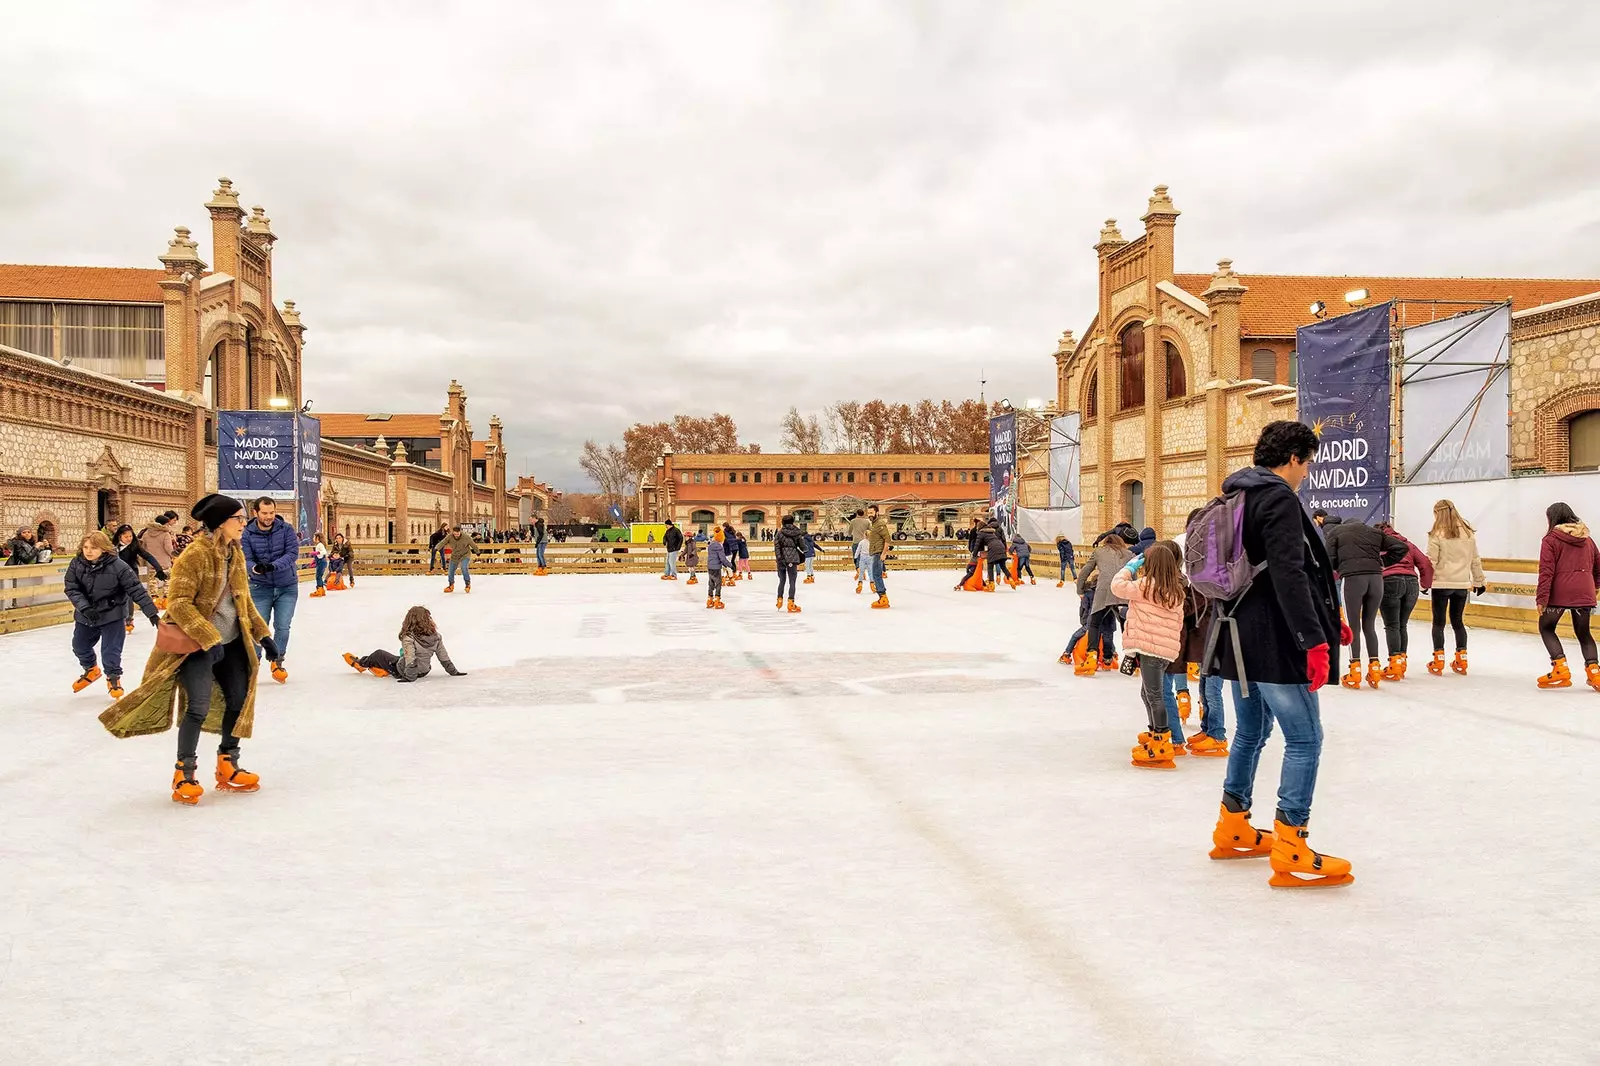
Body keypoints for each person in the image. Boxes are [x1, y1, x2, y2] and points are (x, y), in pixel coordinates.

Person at [1205, 420, 1351, 888]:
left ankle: (1233, 825)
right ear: (1292, 458)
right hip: (1276, 639)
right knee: (1305, 739)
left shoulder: (1236, 497)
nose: (1306, 472)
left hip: (1236, 639)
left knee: (1250, 733)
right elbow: (1291, 574)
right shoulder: (1280, 499)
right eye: (1307, 462)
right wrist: (1315, 640)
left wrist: (1334, 619)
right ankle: (1291, 842)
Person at [98, 493, 281, 806]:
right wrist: (208, 639)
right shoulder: (194, 555)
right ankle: (185, 771)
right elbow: (179, 604)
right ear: (220, 523)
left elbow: (243, 599)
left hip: (233, 641)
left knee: (239, 701)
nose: (243, 524)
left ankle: (228, 765)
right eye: (238, 518)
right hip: (195, 643)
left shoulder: (235, 553)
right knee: (196, 706)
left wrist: (264, 636)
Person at [1111, 543, 1188, 768]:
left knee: (1154, 696)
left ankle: (1162, 742)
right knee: (1148, 694)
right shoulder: (1175, 590)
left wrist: (1131, 566)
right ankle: (1156, 733)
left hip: (1149, 649)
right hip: (1164, 651)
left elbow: (1117, 586)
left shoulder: (1145, 586)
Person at [66, 530, 159, 699]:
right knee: (79, 645)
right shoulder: (76, 563)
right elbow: (72, 588)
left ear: (103, 548)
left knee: (111, 652)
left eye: (94, 548)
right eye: (86, 547)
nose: (88, 551)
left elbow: (136, 590)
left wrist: (151, 613)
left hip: (112, 615)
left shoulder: (118, 566)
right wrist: (85, 608)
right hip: (87, 615)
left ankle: (113, 678)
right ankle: (91, 669)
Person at [1325, 517, 1408, 690]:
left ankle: (1354, 670)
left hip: (1353, 579)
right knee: (1369, 625)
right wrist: (1383, 562)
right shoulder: (1375, 533)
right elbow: (1402, 547)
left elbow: (1328, 560)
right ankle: (1374, 668)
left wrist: (1341, 567)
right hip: (1376, 579)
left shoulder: (1336, 533)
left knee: (1352, 625)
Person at [1534, 502, 1600, 690]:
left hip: (1559, 594)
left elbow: (1546, 571)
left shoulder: (1550, 539)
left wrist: (1542, 599)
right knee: (1584, 633)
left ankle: (1560, 669)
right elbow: (1599, 565)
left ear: (1552, 518)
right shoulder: (1587, 539)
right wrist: (1594, 586)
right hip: (1584, 592)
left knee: (1546, 627)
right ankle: (1595, 673)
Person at [1424, 499, 1485, 676]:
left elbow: (1431, 561)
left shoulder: (1437, 533)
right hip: (1461, 585)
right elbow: (1475, 559)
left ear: (1438, 513)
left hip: (1441, 584)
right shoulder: (1467, 532)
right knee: (1458, 621)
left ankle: (1438, 659)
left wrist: (1425, 582)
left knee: (1439, 622)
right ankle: (1462, 658)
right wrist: (1479, 581)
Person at [241, 497, 297, 681]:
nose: (269, 516)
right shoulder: (247, 533)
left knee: (282, 626)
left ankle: (277, 660)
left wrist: (273, 566)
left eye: (271, 512)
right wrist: (254, 568)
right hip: (259, 586)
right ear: (255, 513)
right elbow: (246, 557)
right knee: (258, 626)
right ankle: (253, 663)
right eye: (264, 513)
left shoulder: (286, 529)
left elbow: (292, 553)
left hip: (286, 586)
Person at [1373, 519, 1433, 681]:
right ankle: (1401, 662)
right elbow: (1425, 562)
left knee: (1392, 625)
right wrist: (1425, 584)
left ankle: (1394, 665)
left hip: (1390, 582)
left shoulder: (1376, 544)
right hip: (1411, 584)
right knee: (1402, 625)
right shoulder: (1407, 543)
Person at [344, 606, 466, 681]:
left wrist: (409, 676)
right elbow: (444, 657)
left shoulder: (409, 636)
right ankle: (379, 667)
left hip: (406, 670)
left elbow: (410, 658)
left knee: (379, 654)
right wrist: (454, 672)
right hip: (424, 670)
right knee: (396, 657)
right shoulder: (436, 636)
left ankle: (361, 663)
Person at [1073, 532, 1130, 675]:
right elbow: (1133, 576)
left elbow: (1086, 570)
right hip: (1123, 589)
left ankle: (1092, 655)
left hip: (1104, 590)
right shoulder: (1129, 554)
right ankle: (1132, 658)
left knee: (1094, 623)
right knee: (1127, 625)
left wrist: (1080, 589)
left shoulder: (1098, 552)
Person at [110, 524, 167, 633]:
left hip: (130, 575)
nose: (129, 539)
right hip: (116, 575)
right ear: (119, 536)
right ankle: (116, 617)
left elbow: (148, 556)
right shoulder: (113, 548)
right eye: (126, 536)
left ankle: (129, 619)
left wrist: (158, 569)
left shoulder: (134, 546)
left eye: (131, 536)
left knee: (129, 596)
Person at [138, 512, 178, 607]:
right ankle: (165, 601)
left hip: (151, 563)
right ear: (164, 524)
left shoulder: (146, 533)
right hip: (164, 562)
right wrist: (174, 555)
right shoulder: (165, 534)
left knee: (152, 582)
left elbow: (143, 548)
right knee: (167, 581)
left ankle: (154, 601)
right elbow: (168, 549)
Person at [774, 515, 806, 613]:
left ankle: (779, 600)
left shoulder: (779, 534)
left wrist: (779, 558)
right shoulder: (797, 533)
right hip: (793, 559)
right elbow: (802, 546)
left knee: (782, 580)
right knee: (792, 581)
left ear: (783, 522)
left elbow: (776, 547)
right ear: (792, 522)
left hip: (781, 559)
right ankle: (791, 602)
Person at [866, 504, 892, 609]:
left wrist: (883, 553)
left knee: (876, 575)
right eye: (868, 513)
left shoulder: (880, 524)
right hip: (875, 552)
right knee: (875, 574)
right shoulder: (874, 524)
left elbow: (888, 539)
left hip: (878, 553)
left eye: (871, 513)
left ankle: (883, 598)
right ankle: (882, 597)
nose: (870, 515)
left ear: (877, 513)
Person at [441, 524, 476, 593]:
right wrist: (436, 548)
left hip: (465, 555)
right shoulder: (450, 537)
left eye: (458, 534)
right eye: (455, 534)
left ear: (460, 532)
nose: (456, 535)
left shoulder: (466, 537)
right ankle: (451, 585)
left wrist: (477, 551)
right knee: (450, 570)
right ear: (453, 532)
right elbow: (443, 542)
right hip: (455, 556)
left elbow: (473, 544)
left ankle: (467, 584)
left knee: (463, 567)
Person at [849, 509, 872, 593]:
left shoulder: (853, 521)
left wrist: (850, 534)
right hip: (865, 541)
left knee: (856, 558)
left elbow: (849, 531)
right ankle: (865, 574)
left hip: (856, 541)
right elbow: (871, 530)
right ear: (863, 514)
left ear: (856, 513)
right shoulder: (867, 522)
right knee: (865, 558)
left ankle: (859, 572)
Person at [705, 527, 727, 609]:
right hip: (716, 567)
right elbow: (722, 558)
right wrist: (729, 565)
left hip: (710, 567)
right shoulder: (719, 547)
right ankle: (717, 599)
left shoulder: (710, 545)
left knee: (711, 583)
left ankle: (709, 599)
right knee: (718, 584)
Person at [310, 532, 329, 597]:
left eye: (314, 536)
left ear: (317, 538)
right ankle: (321, 590)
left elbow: (324, 552)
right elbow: (319, 556)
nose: (313, 538)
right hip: (321, 562)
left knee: (318, 576)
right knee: (319, 576)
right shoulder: (319, 545)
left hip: (321, 562)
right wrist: (314, 561)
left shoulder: (320, 545)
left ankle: (319, 590)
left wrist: (317, 552)